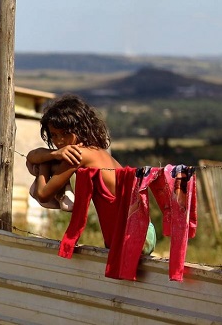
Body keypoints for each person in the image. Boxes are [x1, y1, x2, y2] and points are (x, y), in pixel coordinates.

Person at [26, 93, 155, 254]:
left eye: (65, 134)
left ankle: (62, 194)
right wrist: (53, 155)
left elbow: (43, 194)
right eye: (54, 135)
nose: (59, 141)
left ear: (80, 129)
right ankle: (64, 193)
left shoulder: (78, 155)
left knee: (48, 166)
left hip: (131, 234)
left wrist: (44, 165)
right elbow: (32, 156)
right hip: (141, 228)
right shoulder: (95, 151)